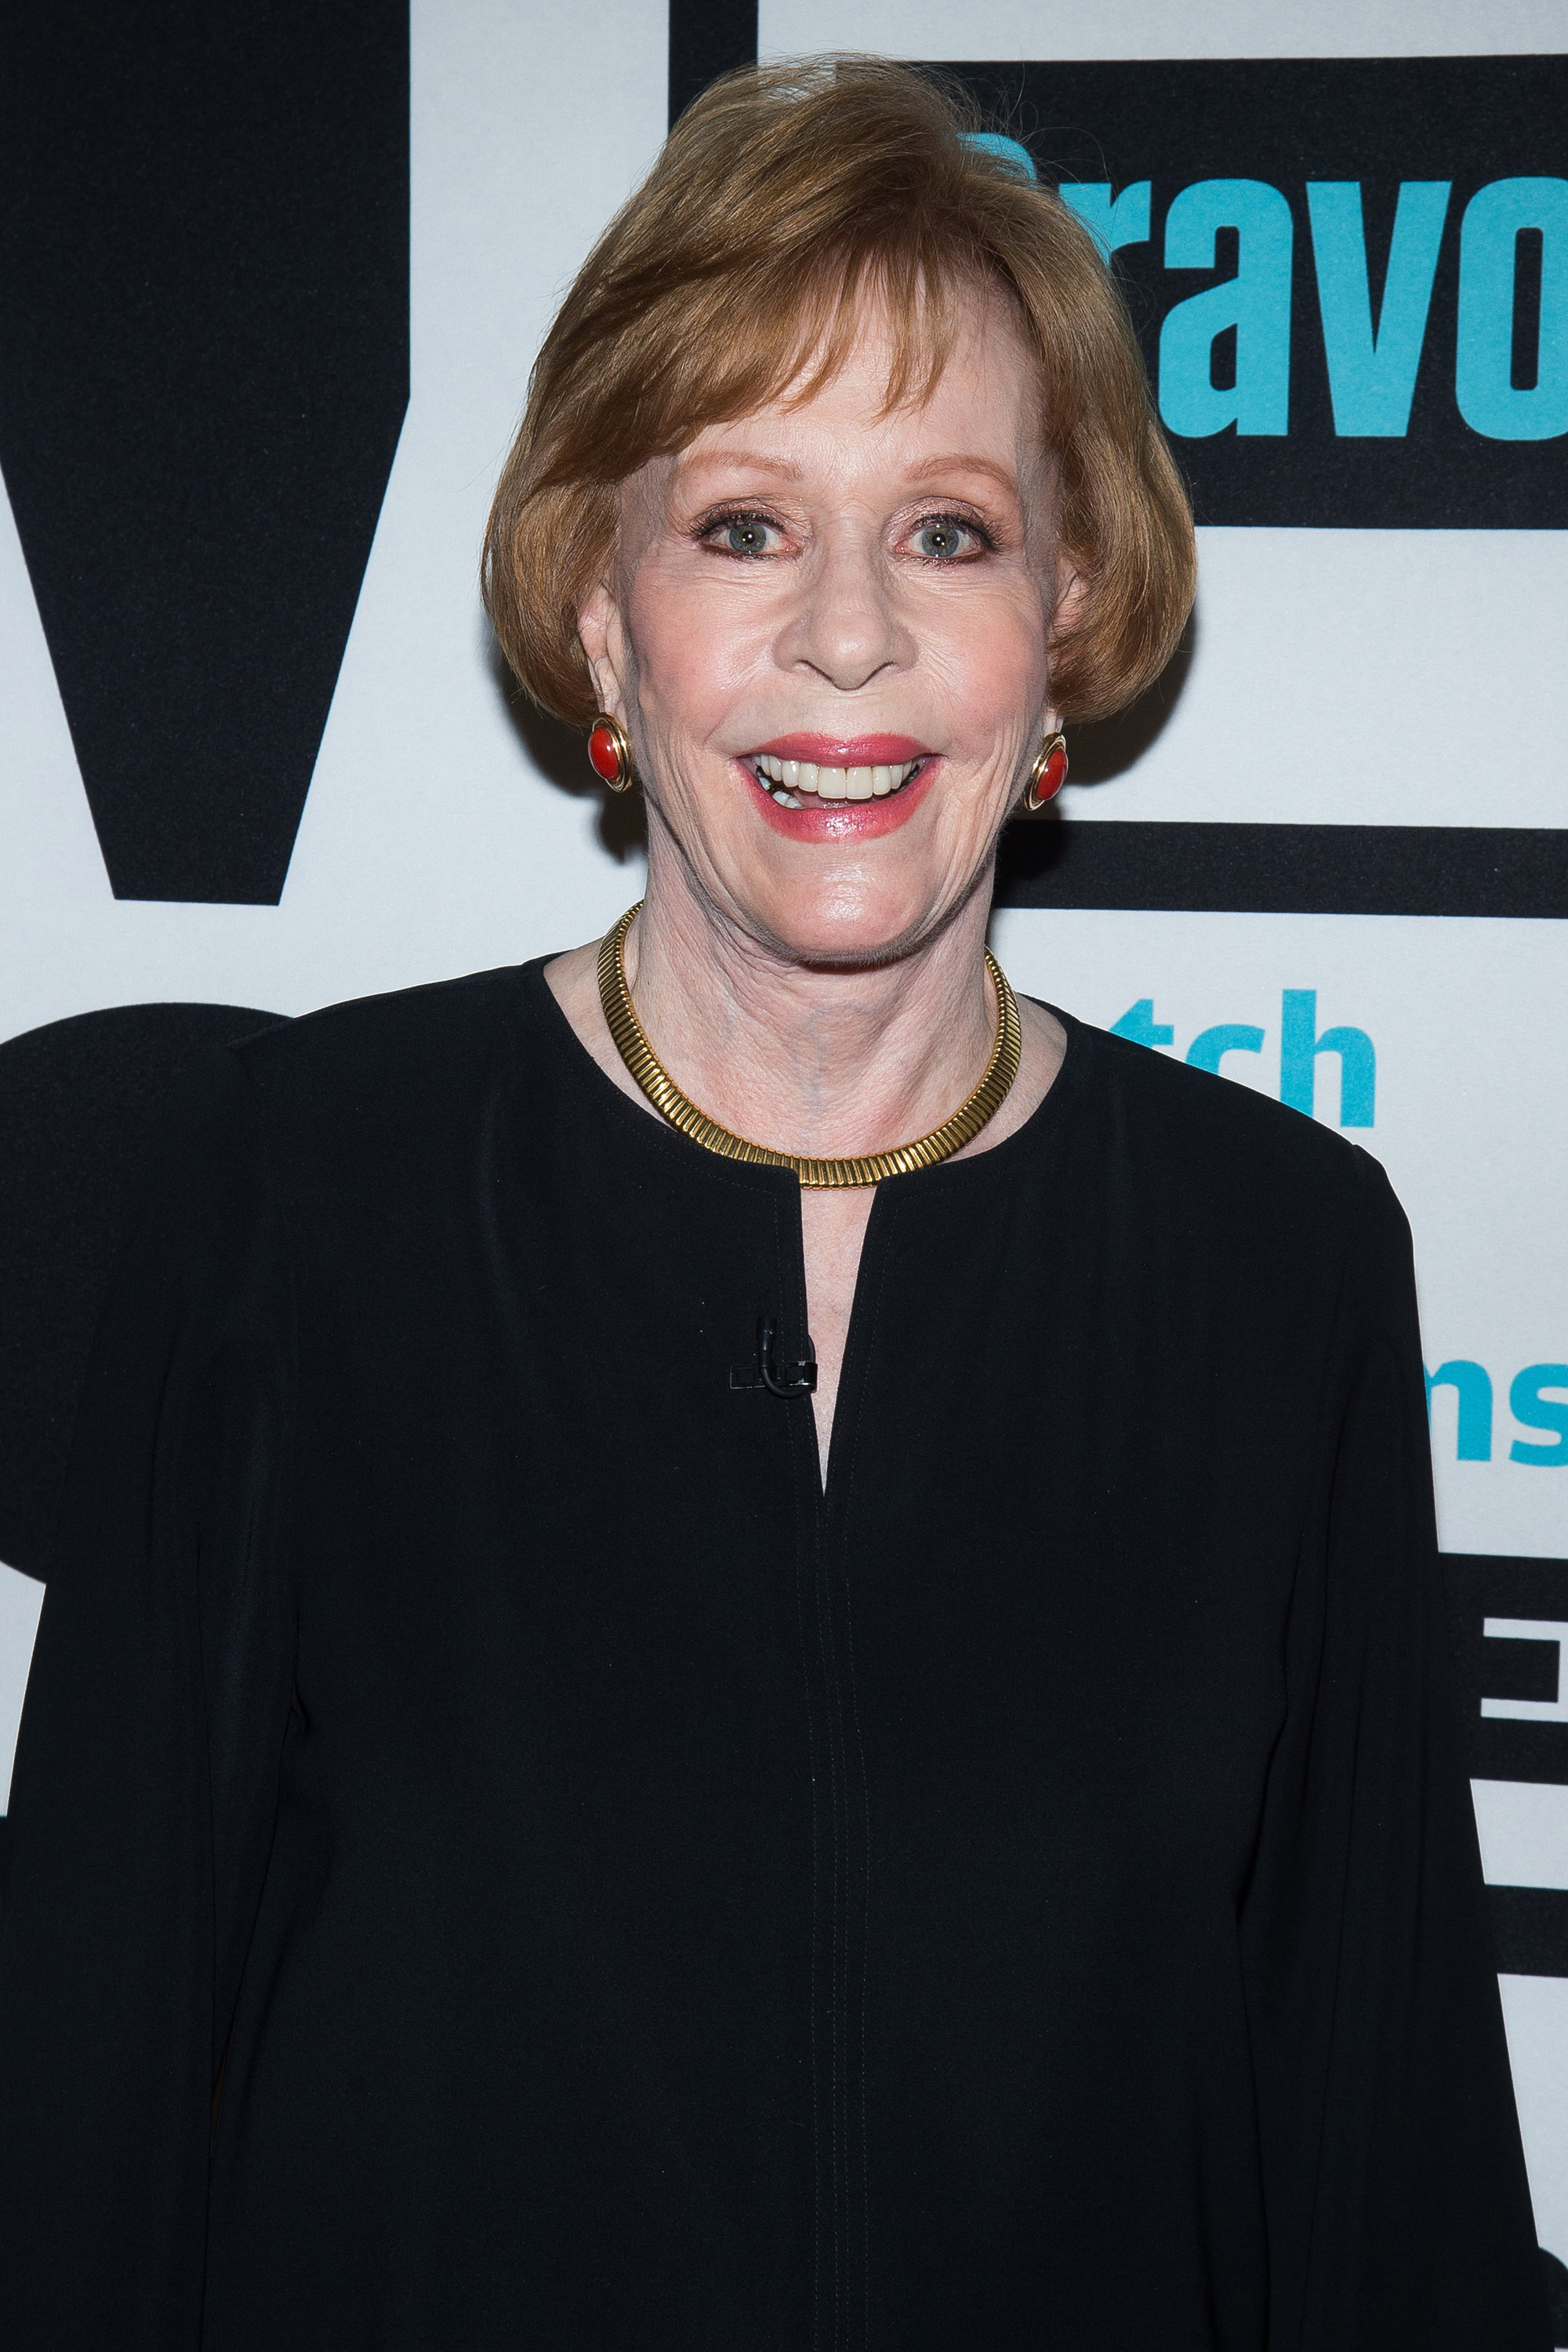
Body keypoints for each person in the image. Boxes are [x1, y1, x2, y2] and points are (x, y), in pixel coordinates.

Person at [0, 55, 1548, 2352]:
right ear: (606, 619)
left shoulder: (1279, 1262)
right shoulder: (298, 1197)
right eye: (741, 525)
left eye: (947, 529)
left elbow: (1384, 2159)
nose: (848, 637)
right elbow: (80, 2136)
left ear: (1069, 621)